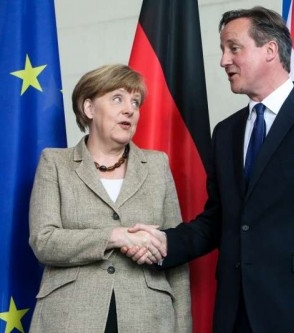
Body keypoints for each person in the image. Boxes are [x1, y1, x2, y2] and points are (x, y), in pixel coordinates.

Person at [123, 6, 294, 333]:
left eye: (234, 48)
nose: (223, 60)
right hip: (235, 310)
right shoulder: (226, 133)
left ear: (270, 50)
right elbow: (217, 221)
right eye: (223, 50)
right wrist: (163, 243)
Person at [28, 64, 191, 333]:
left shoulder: (157, 165)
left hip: (149, 318)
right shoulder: (54, 163)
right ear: (89, 109)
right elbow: (44, 241)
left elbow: (176, 252)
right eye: (118, 98)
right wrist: (115, 236)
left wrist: (183, 327)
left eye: (135, 102)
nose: (130, 109)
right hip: (70, 318)